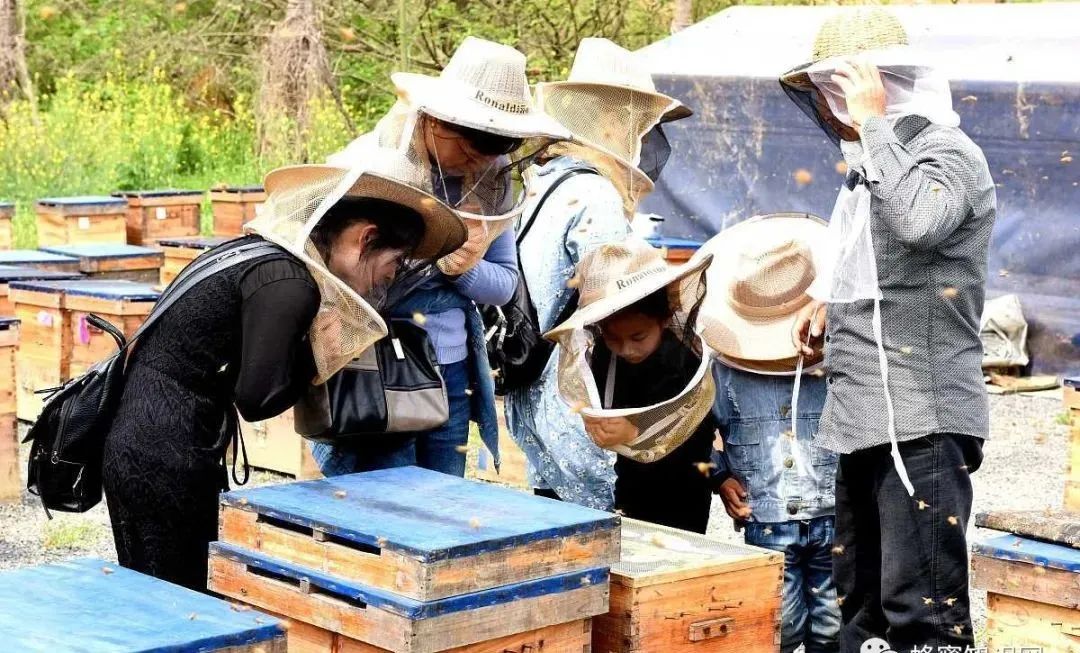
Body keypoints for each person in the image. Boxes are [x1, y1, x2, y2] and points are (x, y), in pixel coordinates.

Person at [101, 154, 466, 592]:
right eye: (392, 264)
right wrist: (318, 356)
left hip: (151, 437)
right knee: (179, 602)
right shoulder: (289, 283)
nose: (384, 280)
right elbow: (257, 399)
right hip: (163, 451)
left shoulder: (258, 256)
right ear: (366, 237)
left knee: (163, 591)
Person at [782, 8, 996, 651]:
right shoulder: (870, 166)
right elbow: (877, 267)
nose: (828, 107)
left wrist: (875, 121)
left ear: (882, 84)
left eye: (836, 89)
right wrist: (828, 305)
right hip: (865, 416)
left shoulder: (946, 151)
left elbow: (921, 224)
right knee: (863, 610)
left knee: (921, 616)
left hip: (922, 417)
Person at [314, 36, 568, 478]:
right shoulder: (372, 167)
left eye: (492, 151)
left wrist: (464, 268)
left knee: (443, 504)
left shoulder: (493, 182)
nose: (476, 166)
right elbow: (321, 264)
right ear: (435, 120)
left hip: (451, 370)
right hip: (372, 364)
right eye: (469, 149)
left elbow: (506, 284)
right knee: (380, 502)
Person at [506, 38, 692, 511]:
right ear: (614, 119)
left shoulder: (541, 183)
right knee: (601, 543)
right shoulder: (595, 194)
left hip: (532, 394)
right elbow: (615, 293)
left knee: (553, 527)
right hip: (576, 402)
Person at [700, 214, 840, 653]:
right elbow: (697, 434)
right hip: (767, 521)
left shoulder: (842, 362)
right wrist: (719, 478)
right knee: (780, 628)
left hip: (835, 517)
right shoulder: (723, 373)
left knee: (833, 629)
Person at [546, 238, 717, 532]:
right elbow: (601, 404)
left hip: (682, 497)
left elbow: (696, 433)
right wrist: (599, 426)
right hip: (629, 487)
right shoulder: (604, 356)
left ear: (662, 320)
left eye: (638, 337)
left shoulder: (682, 360)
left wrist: (636, 432)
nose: (626, 349)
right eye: (614, 338)